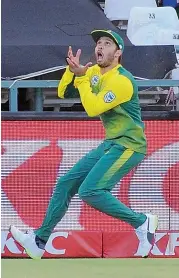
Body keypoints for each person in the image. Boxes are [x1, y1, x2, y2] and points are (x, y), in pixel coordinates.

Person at [10, 29, 158, 259]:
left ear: (118, 53)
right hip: (111, 143)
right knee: (66, 183)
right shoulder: (95, 72)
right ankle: (39, 241)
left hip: (130, 145)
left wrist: (82, 77)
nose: (100, 47)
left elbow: (93, 108)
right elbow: (62, 92)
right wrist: (72, 72)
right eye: (99, 42)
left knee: (91, 191)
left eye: (107, 43)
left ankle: (142, 222)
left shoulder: (122, 81)